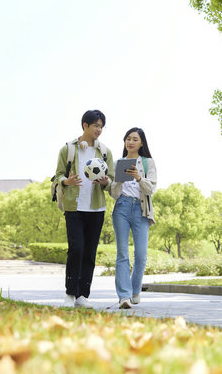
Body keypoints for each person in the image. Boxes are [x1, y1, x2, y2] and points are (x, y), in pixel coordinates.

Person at [54, 109, 114, 308]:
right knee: (76, 248)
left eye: (101, 126)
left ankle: (82, 296)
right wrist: (67, 181)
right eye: (96, 125)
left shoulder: (105, 152)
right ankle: (70, 293)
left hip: (96, 209)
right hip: (74, 207)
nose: (99, 130)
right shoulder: (68, 149)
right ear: (85, 125)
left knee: (90, 252)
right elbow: (58, 176)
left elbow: (111, 180)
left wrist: (106, 181)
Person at [109, 127, 157, 309]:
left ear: (141, 143)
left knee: (141, 255)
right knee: (122, 253)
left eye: (134, 139)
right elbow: (113, 193)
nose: (130, 142)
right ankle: (124, 296)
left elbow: (151, 189)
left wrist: (138, 177)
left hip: (141, 210)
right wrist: (119, 180)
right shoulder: (118, 163)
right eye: (128, 138)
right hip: (121, 206)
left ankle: (135, 290)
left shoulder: (147, 163)